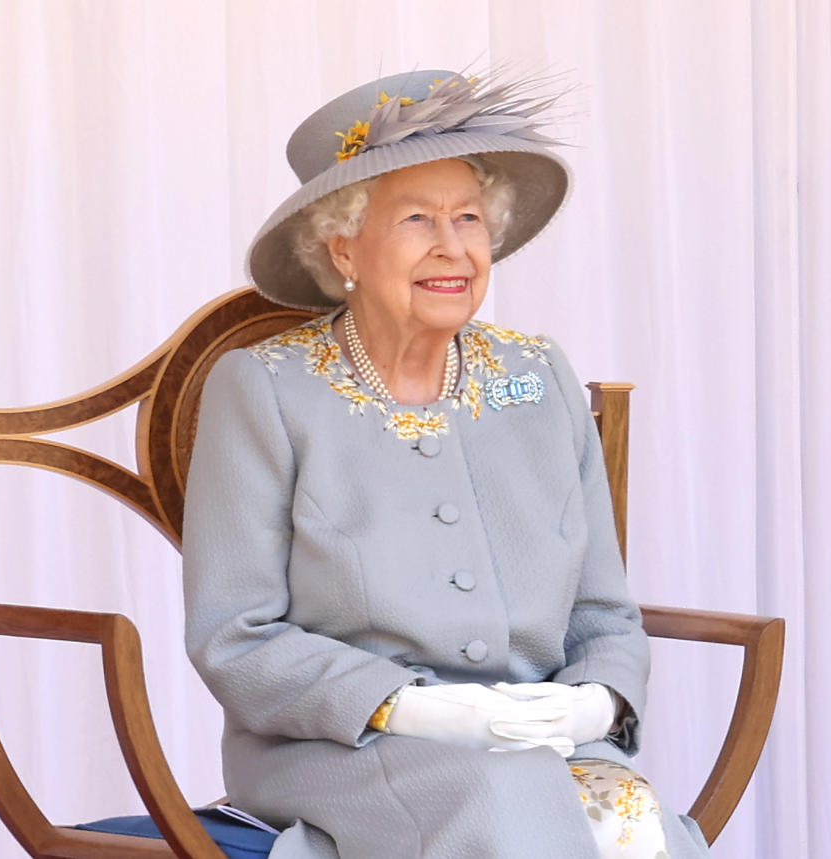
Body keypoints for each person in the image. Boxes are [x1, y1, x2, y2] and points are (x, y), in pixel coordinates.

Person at [183, 69, 709, 858]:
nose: (452, 247)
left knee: (631, 818)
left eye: (468, 218)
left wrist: (592, 707)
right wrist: (420, 709)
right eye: (418, 219)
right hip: (340, 750)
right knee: (500, 804)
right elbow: (236, 634)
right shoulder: (263, 387)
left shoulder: (541, 377)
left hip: (542, 744)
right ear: (343, 245)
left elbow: (605, 611)